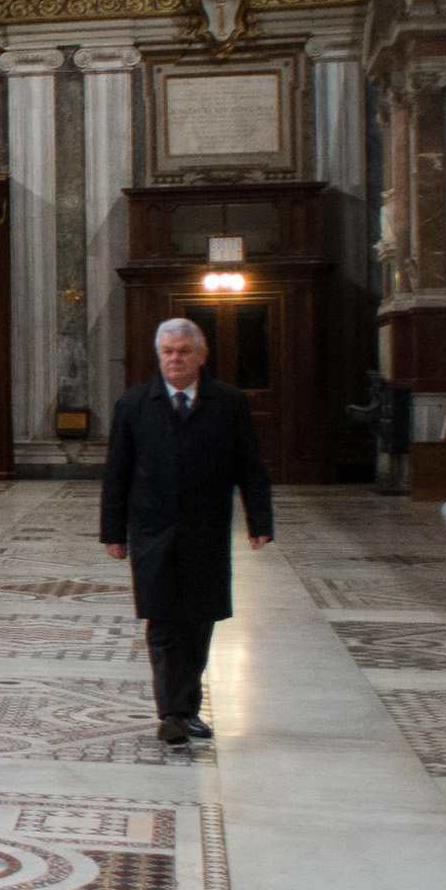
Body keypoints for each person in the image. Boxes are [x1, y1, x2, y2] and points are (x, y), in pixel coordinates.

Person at [99, 317, 274, 747]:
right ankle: (171, 714)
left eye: (183, 351)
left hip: (205, 531)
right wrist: (112, 532)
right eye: (168, 352)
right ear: (158, 356)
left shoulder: (228, 403)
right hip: (152, 531)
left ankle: (188, 707)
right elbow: (116, 474)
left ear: (201, 355)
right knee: (162, 621)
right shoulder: (135, 404)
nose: (175, 359)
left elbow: (249, 466)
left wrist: (259, 522)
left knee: (198, 622)